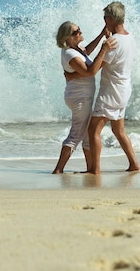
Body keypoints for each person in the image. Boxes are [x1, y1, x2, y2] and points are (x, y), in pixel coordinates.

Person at [52, 21, 115, 174]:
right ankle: (58, 170)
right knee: (76, 135)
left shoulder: (75, 49)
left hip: (80, 96)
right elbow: (90, 71)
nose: (80, 33)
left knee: (87, 135)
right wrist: (104, 50)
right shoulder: (70, 54)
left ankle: (90, 169)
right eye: (75, 32)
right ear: (67, 38)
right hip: (79, 98)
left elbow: (86, 52)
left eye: (79, 29)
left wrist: (101, 35)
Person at [87, 2, 140, 174]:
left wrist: (103, 48)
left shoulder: (113, 42)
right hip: (124, 89)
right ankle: (134, 164)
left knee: (94, 130)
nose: (103, 21)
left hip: (111, 91)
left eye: (104, 18)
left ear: (110, 19)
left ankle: (95, 169)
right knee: (118, 130)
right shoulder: (129, 38)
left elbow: (93, 70)